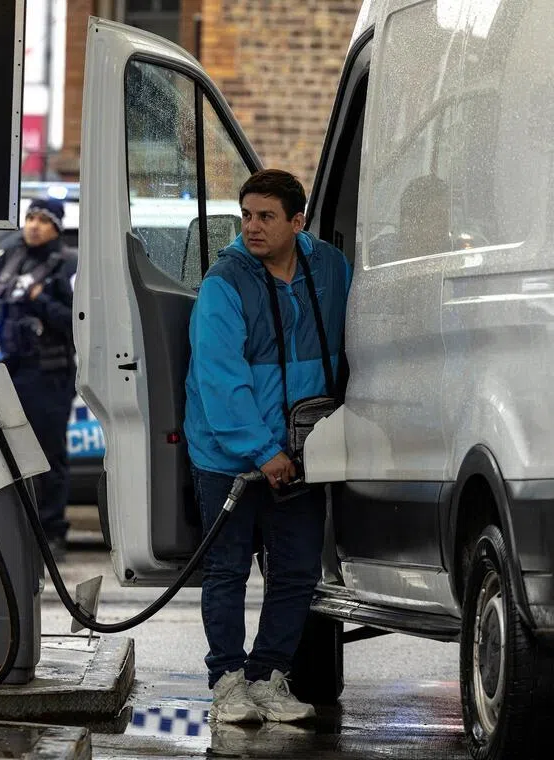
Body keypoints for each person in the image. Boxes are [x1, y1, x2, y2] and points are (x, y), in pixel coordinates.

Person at [184, 169, 352, 724]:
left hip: (303, 449)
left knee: (298, 571)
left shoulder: (328, 267)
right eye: (246, 216)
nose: (251, 227)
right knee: (228, 570)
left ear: (297, 222)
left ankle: (268, 678)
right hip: (229, 452)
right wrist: (261, 450)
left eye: (265, 217)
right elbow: (220, 378)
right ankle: (228, 683)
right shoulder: (224, 283)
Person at [0, 197, 77, 555]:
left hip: (48, 371)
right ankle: (20, 527)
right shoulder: (11, 256)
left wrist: (39, 299)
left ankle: (52, 531)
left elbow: (75, 321)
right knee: (9, 449)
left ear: (56, 228)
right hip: (11, 366)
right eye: (30, 217)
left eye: (43, 220)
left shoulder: (66, 264)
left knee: (47, 451)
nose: (33, 225)